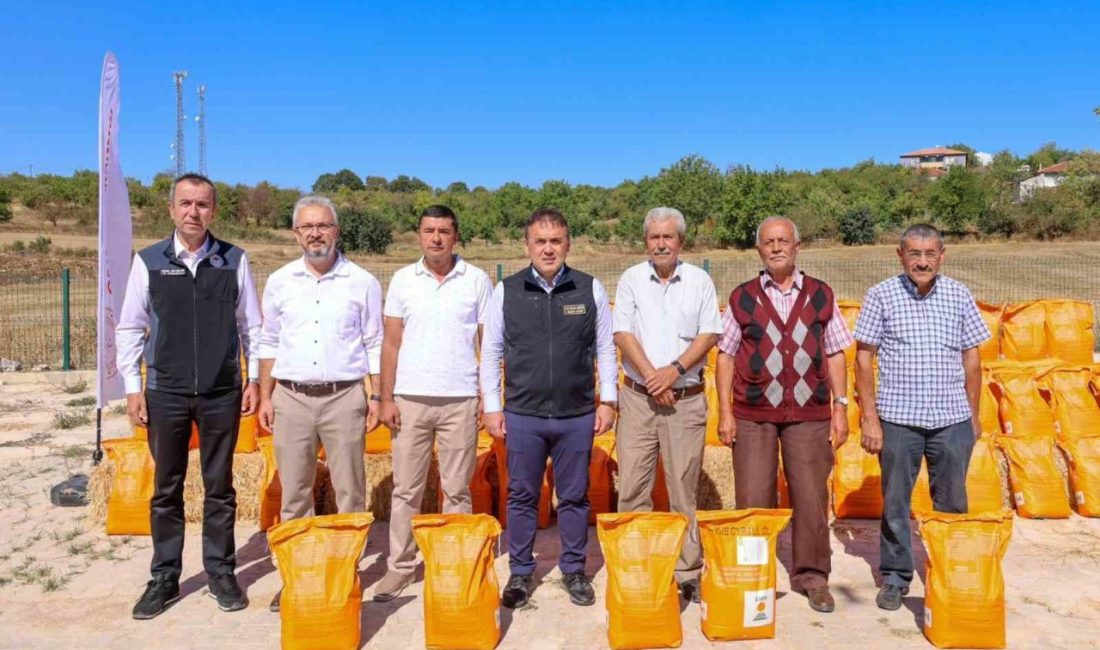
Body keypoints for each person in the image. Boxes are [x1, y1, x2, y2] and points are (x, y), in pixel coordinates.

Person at [116, 173, 262, 619]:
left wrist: (253, 379)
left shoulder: (234, 260)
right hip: (166, 391)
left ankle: (221, 571)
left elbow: (251, 326)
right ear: (171, 209)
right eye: (185, 203)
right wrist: (133, 388)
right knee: (166, 488)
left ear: (213, 211)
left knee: (220, 487)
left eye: (202, 204)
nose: (193, 212)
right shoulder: (148, 261)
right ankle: (164, 577)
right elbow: (130, 327)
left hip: (221, 391)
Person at [479, 208, 617, 609]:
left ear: (568, 244)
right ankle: (521, 572)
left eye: (556, 241)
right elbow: (491, 351)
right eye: (540, 241)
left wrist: (608, 400)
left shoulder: (589, 289)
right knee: (522, 495)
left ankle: (574, 570)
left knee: (574, 497)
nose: (548, 249)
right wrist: (493, 406)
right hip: (524, 414)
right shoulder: (507, 291)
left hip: (577, 414)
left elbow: (606, 348)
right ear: (527, 246)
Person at [715, 216, 852, 613]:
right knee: (753, 497)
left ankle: (813, 577)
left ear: (797, 246)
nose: (776, 248)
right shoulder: (742, 297)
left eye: (783, 241)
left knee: (810, 497)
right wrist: (725, 413)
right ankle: (753, 574)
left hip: (809, 414)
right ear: (759, 250)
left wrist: (840, 407)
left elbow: (835, 353)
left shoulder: (820, 294)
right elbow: (725, 357)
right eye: (769, 242)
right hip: (753, 415)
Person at [256, 195, 382, 612]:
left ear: (336, 231)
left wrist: (376, 395)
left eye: (323, 225)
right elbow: (269, 340)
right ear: (295, 234)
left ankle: (346, 573)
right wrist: (266, 394)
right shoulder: (280, 281)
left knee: (350, 492)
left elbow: (374, 342)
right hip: (291, 397)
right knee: (295, 494)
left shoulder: (362, 282)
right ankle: (299, 577)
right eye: (307, 227)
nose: (315, 234)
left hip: (344, 397)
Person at [853, 223, 988, 611]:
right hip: (899, 419)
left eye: (930, 254)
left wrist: (972, 415)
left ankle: (951, 571)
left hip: (951, 419)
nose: (923, 262)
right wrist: (870, 419)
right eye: (914, 253)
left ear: (942, 255)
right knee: (896, 503)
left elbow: (972, 357)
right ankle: (896, 577)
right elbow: (863, 358)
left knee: (952, 503)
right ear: (900, 256)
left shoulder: (959, 294)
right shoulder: (881, 295)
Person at [372, 205, 492, 602]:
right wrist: (385, 397)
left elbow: (487, 344)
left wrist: (487, 396)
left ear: (456, 236)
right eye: (429, 230)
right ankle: (400, 567)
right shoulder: (403, 280)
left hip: (460, 400)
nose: (436, 238)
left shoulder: (476, 280)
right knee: (406, 489)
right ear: (419, 235)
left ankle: (453, 564)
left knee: (457, 489)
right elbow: (391, 343)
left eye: (444, 231)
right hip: (410, 400)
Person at [612, 207, 721, 603]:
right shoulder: (630, 279)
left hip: (685, 402)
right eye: (654, 237)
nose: (661, 244)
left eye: (668, 237)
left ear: (681, 242)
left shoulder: (699, 281)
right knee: (632, 488)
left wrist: (672, 372)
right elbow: (622, 333)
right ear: (646, 241)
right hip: (638, 400)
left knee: (682, 491)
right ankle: (636, 566)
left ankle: (687, 571)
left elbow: (710, 334)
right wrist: (651, 377)